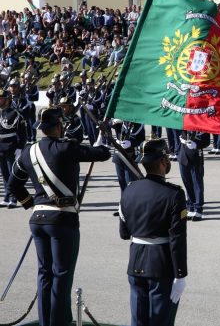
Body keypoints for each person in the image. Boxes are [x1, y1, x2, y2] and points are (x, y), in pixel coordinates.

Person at [8, 106, 111, 326]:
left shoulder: (28, 152)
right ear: (59, 126)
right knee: (61, 275)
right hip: (63, 219)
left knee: (44, 274)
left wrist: (30, 203)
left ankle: (46, 322)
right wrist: (104, 135)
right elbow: (102, 154)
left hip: (38, 219)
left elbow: (12, 183)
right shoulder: (67, 147)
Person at [119, 139, 188, 325]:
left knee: (138, 320)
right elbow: (177, 238)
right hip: (161, 264)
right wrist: (180, 274)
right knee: (160, 320)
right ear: (162, 161)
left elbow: (124, 233)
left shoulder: (129, 190)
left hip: (135, 261)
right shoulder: (174, 194)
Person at [0, 89, 27, 208]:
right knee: (4, 174)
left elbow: (23, 133)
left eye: (1, 98)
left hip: (11, 146)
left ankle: (13, 198)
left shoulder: (16, 113)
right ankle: (7, 196)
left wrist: (20, 147)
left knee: (12, 174)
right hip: (0, 147)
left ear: (7, 99)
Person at [178, 130, 210, 221]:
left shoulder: (200, 122)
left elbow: (206, 141)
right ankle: (191, 206)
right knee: (187, 183)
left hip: (195, 156)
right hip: (183, 155)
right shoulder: (183, 121)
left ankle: (198, 209)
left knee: (197, 184)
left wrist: (196, 144)